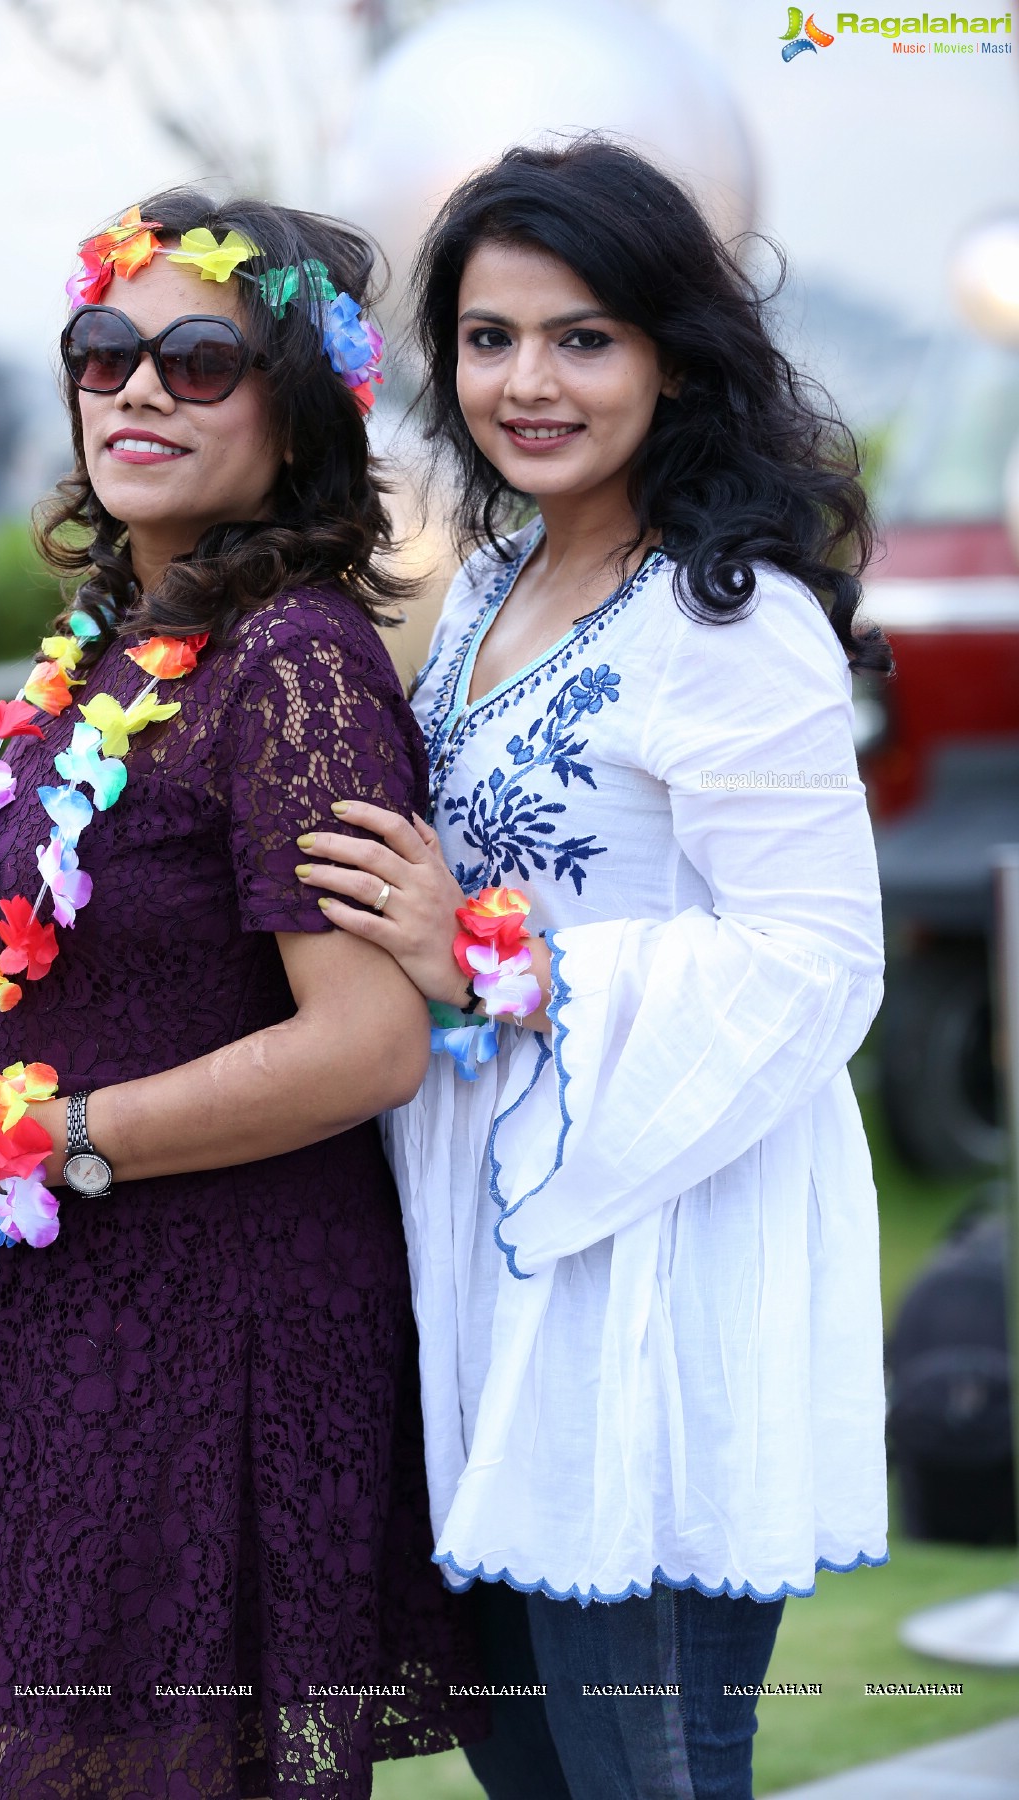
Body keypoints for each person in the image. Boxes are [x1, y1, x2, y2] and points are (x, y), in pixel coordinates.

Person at [0, 190, 485, 1800]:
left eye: (201, 359)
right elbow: (92, 961)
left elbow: (370, 1041)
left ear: (299, 405)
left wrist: (44, 1138)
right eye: (104, 353)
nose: (136, 389)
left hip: (219, 1338)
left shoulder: (300, 666)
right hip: (69, 1318)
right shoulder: (118, 644)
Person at [294, 138, 892, 1800]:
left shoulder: (727, 617)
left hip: (660, 1265)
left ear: (675, 356)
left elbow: (819, 959)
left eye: (584, 337)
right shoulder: (493, 585)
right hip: (495, 1257)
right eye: (490, 338)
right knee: (533, 1767)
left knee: (653, 1769)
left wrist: (486, 955)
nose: (526, 382)